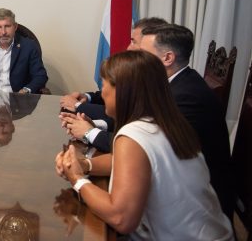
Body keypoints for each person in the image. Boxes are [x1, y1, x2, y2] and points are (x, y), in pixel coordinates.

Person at [56, 50, 233, 239]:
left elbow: (121, 219)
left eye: (104, 84)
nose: (103, 92)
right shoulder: (168, 121)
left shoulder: (133, 135)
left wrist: (77, 179)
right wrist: (85, 165)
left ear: (122, 92)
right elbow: (130, 164)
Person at [139, 24, 234, 221]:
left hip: (198, 207)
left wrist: (91, 135)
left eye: (143, 54)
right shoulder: (177, 82)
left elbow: (148, 149)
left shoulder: (186, 96)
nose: (137, 60)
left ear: (167, 58)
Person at [58, 17, 168, 152]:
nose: (129, 48)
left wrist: (89, 132)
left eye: (135, 43)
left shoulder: (177, 93)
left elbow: (130, 148)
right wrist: (93, 127)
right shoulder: (156, 84)